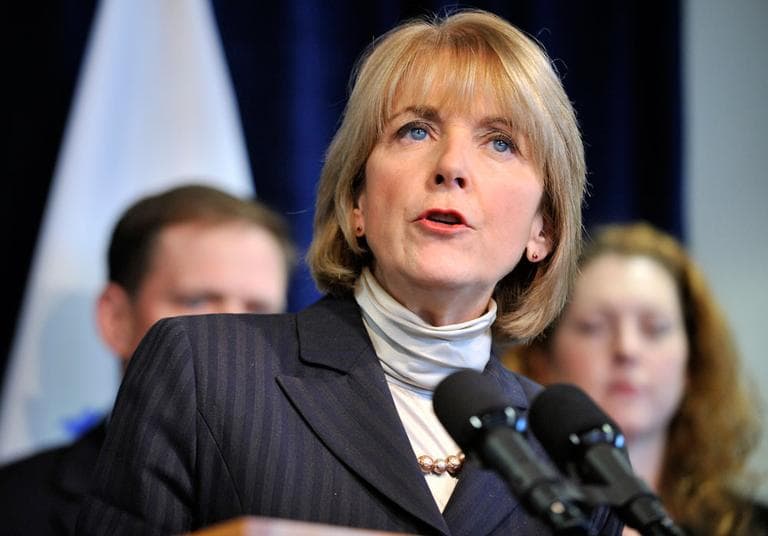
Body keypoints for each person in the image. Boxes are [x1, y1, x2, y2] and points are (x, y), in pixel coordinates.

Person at [76, 10, 622, 535]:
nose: (452, 167)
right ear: (357, 202)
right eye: (415, 131)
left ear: (542, 231)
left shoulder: (571, 457)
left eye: (500, 142)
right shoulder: (204, 372)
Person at [0, 183, 296, 536]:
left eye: (258, 309)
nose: (232, 334)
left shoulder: (323, 505)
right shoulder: (12, 507)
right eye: (197, 301)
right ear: (117, 321)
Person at [503, 221, 767, 535]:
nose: (627, 349)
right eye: (594, 326)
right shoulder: (503, 522)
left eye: (655, 328)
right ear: (542, 358)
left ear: (691, 363)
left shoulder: (749, 527)